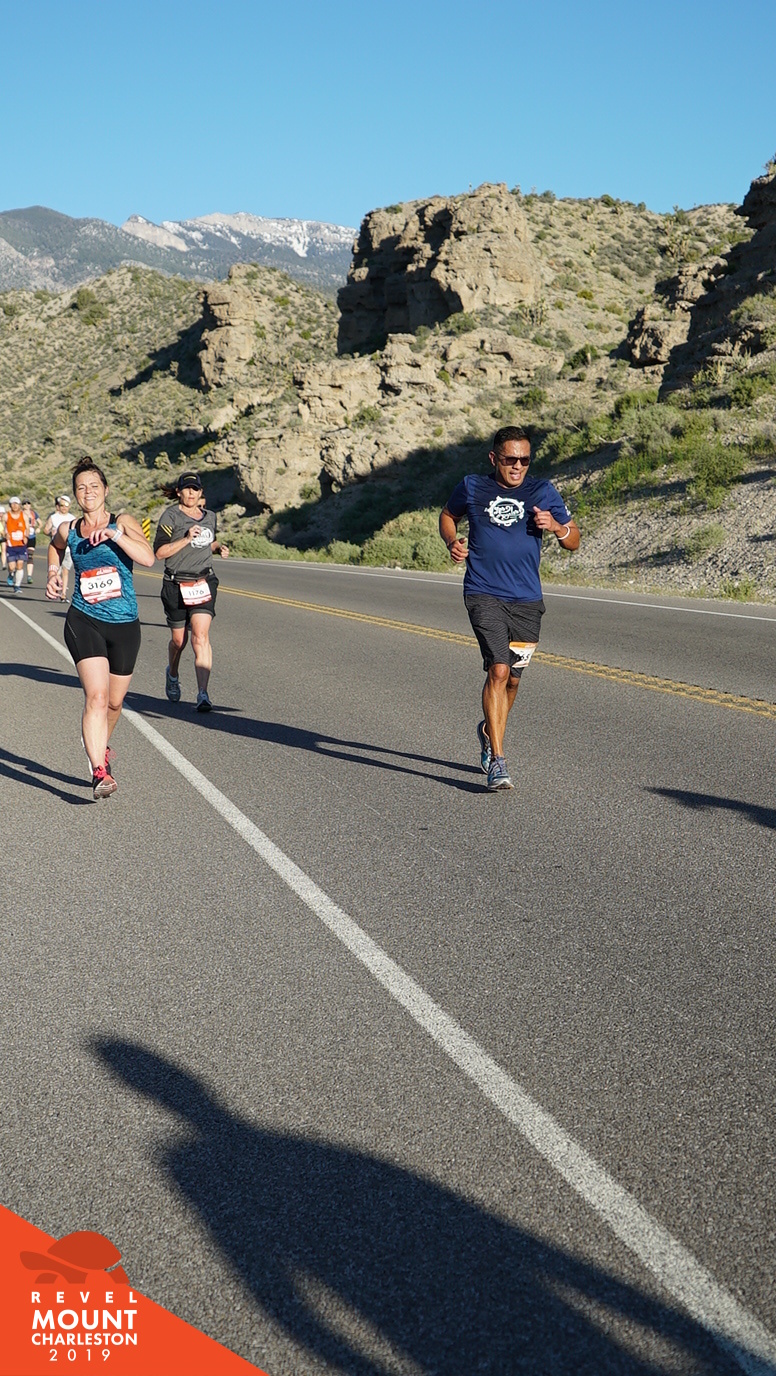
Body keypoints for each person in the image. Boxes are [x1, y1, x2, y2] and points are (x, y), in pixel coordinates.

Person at [439, 425, 580, 792]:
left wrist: (556, 527)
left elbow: (574, 540)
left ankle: (489, 731)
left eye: (524, 460)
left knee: (514, 678)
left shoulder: (542, 491)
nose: (517, 466)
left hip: (527, 600)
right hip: (483, 593)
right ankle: (498, 760)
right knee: (499, 670)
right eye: (510, 459)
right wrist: (452, 542)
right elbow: (448, 516)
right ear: (494, 458)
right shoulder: (472, 487)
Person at [46, 457, 155, 799]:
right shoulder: (69, 529)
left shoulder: (122, 521)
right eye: (81, 487)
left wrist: (115, 535)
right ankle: (99, 771)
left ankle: (100, 746)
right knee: (97, 696)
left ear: (106, 490)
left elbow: (148, 558)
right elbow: (55, 547)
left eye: (94, 486)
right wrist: (53, 573)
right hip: (84, 618)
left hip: (124, 624)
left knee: (115, 704)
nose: (88, 492)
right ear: (75, 494)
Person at [153, 471, 229, 712]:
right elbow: (159, 553)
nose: (191, 493)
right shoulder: (170, 516)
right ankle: (173, 674)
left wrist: (218, 547)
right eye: (186, 489)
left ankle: (203, 694)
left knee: (200, 636)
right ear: (178, 492)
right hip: (175, 584)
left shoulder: (210, 516)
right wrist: (185, 538)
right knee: (179, 641)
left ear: (201, 492)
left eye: (195, 489)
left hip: (203, 582)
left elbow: (208, 541)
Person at [44, 495, 75, 602]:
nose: (64, 508)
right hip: (57, 548)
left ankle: (64, 593)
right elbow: (46, 530)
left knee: (66, 570)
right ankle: (55, 589)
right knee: (57, 571)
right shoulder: (53, 517)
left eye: (66, 506)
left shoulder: (72, 518)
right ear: (58, 506)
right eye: (62, 505)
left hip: (68, 550)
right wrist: (51, 532)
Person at [5, 496, 29, 595]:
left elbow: (27, 527)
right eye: (13, 504)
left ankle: (17, 586)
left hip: (21, 544)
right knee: (12, 567)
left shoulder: (24, 516)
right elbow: (2, 527)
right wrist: (4, 534)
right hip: (11, 545)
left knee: (20, 565)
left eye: (16, 504)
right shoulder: (6, 516)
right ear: (10, 505)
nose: (15, 506)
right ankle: (11, 574)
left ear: (19, 505)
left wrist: (26, 536)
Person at [22, 500, 39, 583]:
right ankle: (15, 572)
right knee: (20, 557)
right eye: (24, 504)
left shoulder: (33, 513)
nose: (26, 505)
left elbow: (40, 523)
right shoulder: (20, 514)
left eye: (28, 503)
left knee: (30, 556)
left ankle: (29, 576)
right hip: (21, 537)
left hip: (32, 536)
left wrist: (38, 528)